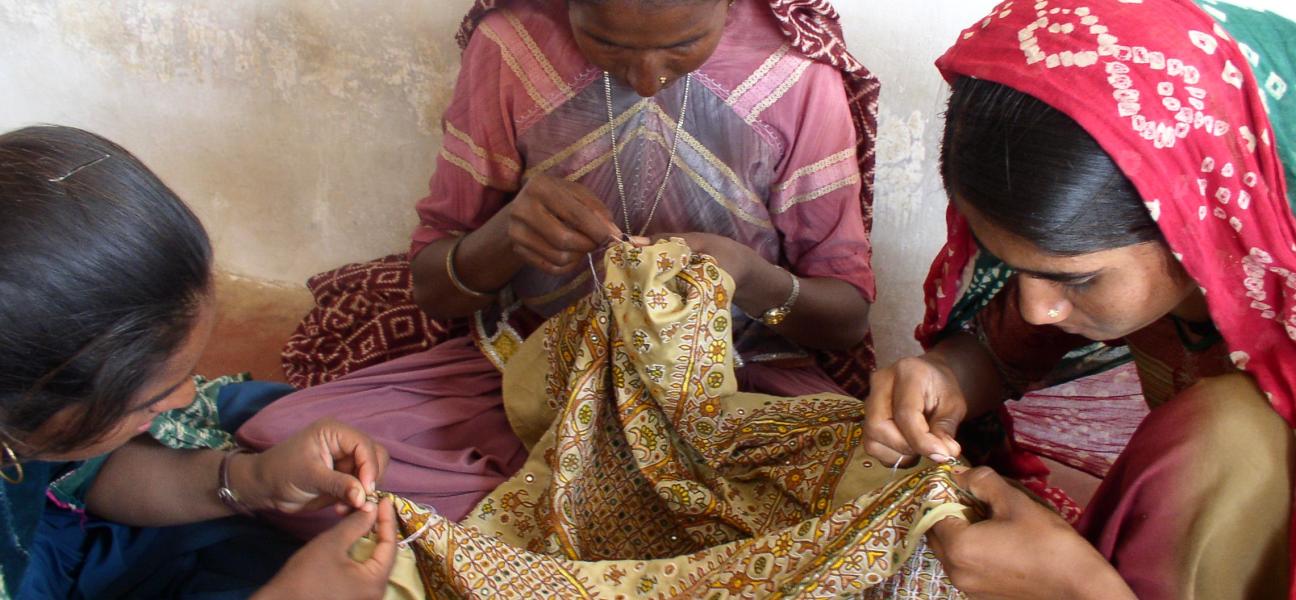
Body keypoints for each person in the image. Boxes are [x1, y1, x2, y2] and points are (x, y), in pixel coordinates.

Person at [238, 0, 880, 530]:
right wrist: (504, 238)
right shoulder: (512, 48)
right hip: (530, 376)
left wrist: (746, 273)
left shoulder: (798, 75)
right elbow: (435, 289)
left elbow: (845, 320)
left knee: (882, 513)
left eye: (684, 44)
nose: (646, 77)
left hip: (734, 391)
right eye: (606, 43)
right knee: (290, 456)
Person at [863, 0, 1296, 598]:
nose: (1036, 308)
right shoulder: (1189, 257)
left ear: (1199, 225)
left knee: (1232, 433)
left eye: (1078, 279)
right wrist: (945, 374)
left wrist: (1079, 590)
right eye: (1011, 269)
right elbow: (1004, 348)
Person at [0, 125, 398, 599]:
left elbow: (88, 473)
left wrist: (254, 480)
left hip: (48, 533)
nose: (187, 394)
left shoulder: (31, 417)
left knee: (253, 412)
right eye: (150, 398)